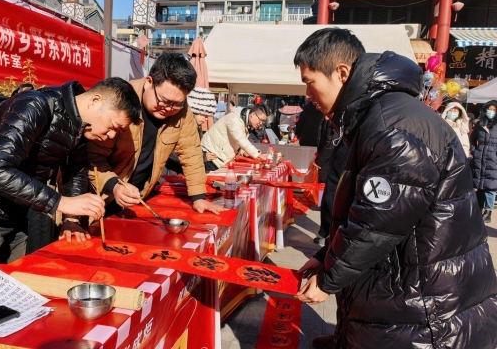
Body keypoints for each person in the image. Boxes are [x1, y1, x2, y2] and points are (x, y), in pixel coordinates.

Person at [293, 28, 497, 349]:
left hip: (427, 309)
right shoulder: (380, 116)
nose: (308, 95)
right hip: (408, 292)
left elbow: (376, 224)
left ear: (341, 73)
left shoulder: (394, 127)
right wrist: (325, 256)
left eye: (310, 82)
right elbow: (363, 210)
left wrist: (329, 279)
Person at [0, 78, 141, 284]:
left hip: (17, 209)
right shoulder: (34, 105)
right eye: (113, 126)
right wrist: (61, 202)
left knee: (14, 286)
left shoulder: (81, 125)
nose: (110, 136)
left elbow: (75, 172)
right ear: (95, 101)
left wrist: (71, 219)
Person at [88, 53, 223, 215]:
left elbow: (191, 153)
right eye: (164, 101)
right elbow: (91, 155)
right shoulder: (119, 100)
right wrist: (113, 185)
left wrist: (198, 197)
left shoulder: (182, 111)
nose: (168, 108)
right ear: (149, 82)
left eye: (177, 104)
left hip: (139, 196)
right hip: (98, 196)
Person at [163, 87, 218, 174]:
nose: (207, 119)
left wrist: (202, 154)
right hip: (169, 172)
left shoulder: (196, 126)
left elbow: (191, 148)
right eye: (205, 115)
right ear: (196, 110)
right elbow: (174, 152)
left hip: (178, 171)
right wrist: (202, 156)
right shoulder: (181, 124)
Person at [201, 104, 269, 171]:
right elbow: (240, 139)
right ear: (253, 115)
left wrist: (243, 152)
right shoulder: (234, 119)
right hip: (210, 156)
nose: (261, 123)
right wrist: (258, 154)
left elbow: (237, 142)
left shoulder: (245, 122)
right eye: (261, 120)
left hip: (219, 157)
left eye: (263, 122)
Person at [470, 100, 497, 224]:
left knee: (490, 188)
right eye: (489, 109)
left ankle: (488, 211)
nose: (491, 112)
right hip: (480, 159)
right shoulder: (480, 124)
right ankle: (479, 209)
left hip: (493, 161)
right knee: (480, 187)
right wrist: (475, 151)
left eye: (494, 110)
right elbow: (472, 139)